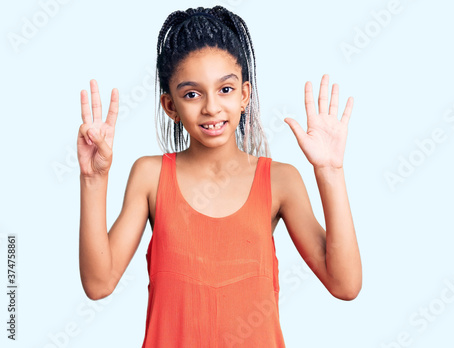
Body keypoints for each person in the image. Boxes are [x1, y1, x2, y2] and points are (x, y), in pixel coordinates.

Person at [77, 5, 361, 347]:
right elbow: (98, 283)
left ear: (244, 95)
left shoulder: (280, 181)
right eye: (192, 94)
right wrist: (93, 180)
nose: (211, 107)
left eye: (225, 90)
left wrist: (330, 172)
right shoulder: (150, 176)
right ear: (171, 107)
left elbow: (345, 284)